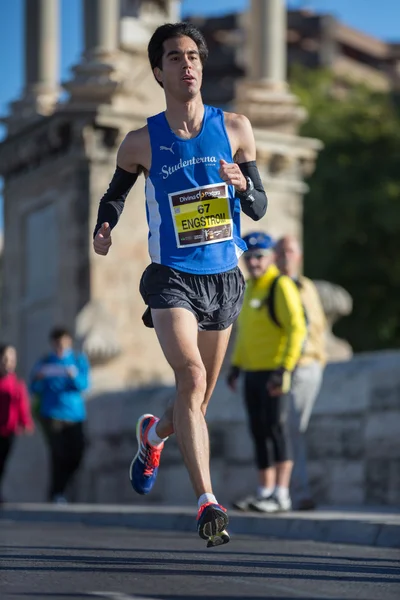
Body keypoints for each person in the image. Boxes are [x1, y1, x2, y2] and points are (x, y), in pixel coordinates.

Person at [93, 22, 267, 547]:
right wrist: (104, 224)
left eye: (193, 56)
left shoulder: (236, 128)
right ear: (157, 71)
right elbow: (115, 194)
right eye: (175, 57)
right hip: (173, 278)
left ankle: (153, 435)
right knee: (189, 377)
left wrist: (243, 185)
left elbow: (258, 207)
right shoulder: (140, 141)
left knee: (199, 397)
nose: (187, 64)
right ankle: (207, 501)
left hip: (223, 279)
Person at [227, 232, 306, 513]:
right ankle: (264, 492)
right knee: (258, 432)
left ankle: (281, 494)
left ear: (272, 257)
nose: (254, 262)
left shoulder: (280, 285)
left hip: (275, 370)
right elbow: (244, 334)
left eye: (259, 256)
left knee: (278, 430)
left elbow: (297, 329)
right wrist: (235, 366)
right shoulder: (249, 288)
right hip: (252, 371)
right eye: (248, 257)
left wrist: (285, 368)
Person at [275, 235, 327, 510]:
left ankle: (292, 491)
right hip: (280, 367)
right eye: (280, 251)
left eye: (290, 251)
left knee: (295, 431)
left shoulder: (306, 287)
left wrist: (318, 360)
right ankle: (287, 491)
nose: (285, 256)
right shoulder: (270, 286)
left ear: (299, 257)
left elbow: (316, 328)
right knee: (285, 431)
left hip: (307, 365)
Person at [30, 327, 90, 504]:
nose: (60, 347)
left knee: (76, 454)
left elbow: (84, 385)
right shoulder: (45, 362)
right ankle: (56, 493)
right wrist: (39, 378)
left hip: (75, 415)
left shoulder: (78, 360)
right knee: (58, 454)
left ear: (69, 342)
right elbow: (33, 388)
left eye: (63, 343)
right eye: (57, 343)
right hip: (52, 415)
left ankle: (61, 488)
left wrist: (73, 376)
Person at [0, 344, 34, 504]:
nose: (8, 363)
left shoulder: (16, 384)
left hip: (8, 431)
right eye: (5, 359)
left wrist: (26, 423)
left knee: (2, 462)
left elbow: (22, 406)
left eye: (12, 359)